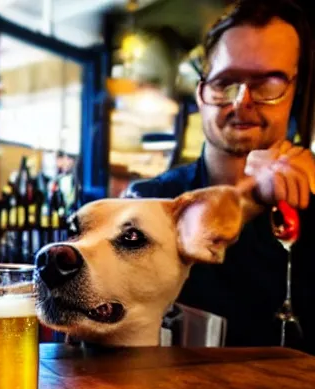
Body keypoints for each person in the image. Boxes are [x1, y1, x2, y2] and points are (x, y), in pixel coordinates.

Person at [125, 0, 315, 352]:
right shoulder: (147, 201)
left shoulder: (311, 201)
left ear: (294, 92)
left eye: (267, 84)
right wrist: (249, 198)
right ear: (201, 94)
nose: (242, 101)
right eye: (225, 82)